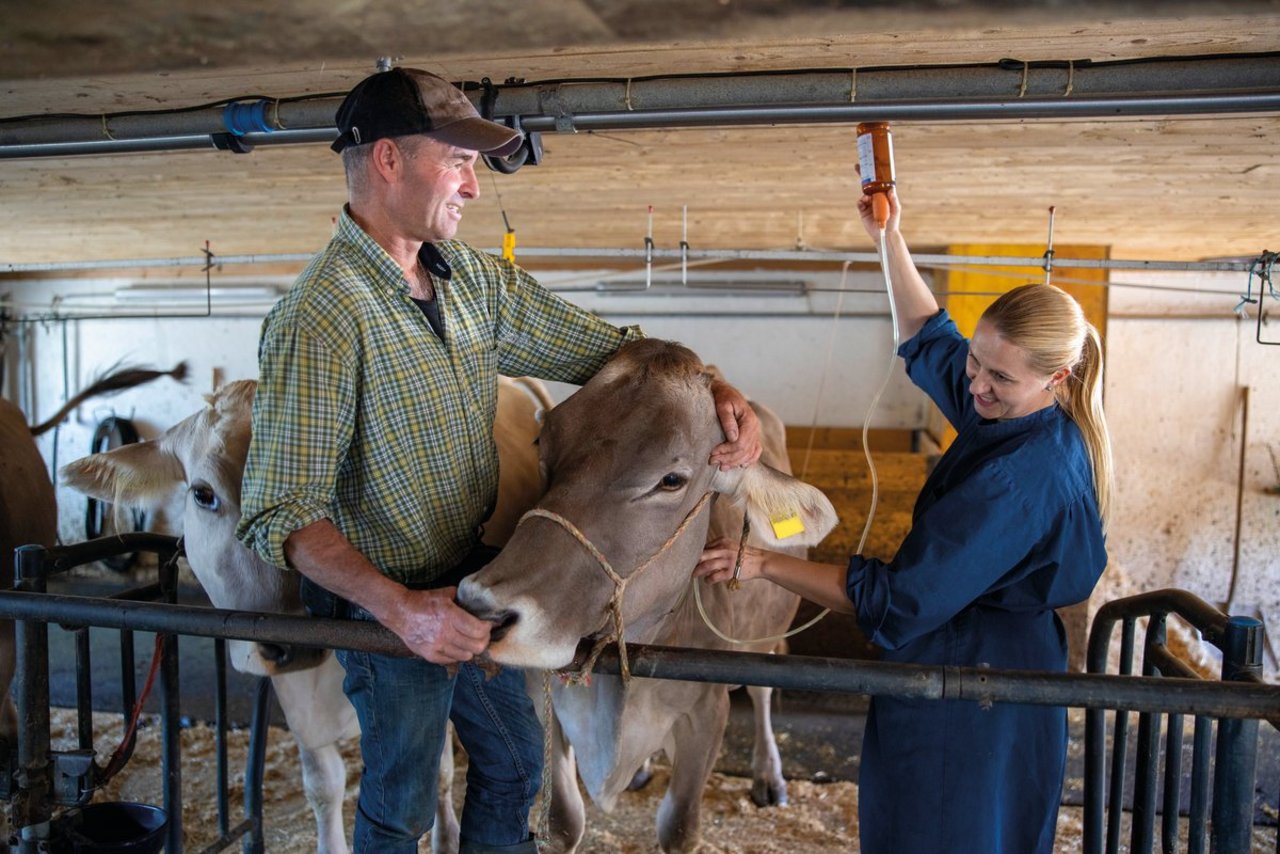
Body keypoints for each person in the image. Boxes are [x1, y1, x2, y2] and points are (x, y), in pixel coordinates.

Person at [235, 67, 761, 854]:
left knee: (517, 767)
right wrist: (402, 610)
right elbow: (281, 513)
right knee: (404, 801)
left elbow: (615, 352)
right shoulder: (321, 316)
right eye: (458, 161)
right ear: (388, 160)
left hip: (480, 579)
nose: (474, 187)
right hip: (388, 604)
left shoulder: (473, 282)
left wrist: (713, 385)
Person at [696, 187, 1111, 853]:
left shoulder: (1016, 480)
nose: (975, 385)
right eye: (977, 361)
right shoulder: (1015, 414)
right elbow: (928, 337)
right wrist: (888, 237)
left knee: (944, 832)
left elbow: (898, 601)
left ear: (1056, 377)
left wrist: (764, 562)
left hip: (971, 684)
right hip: (989, 665)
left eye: (999, 378)